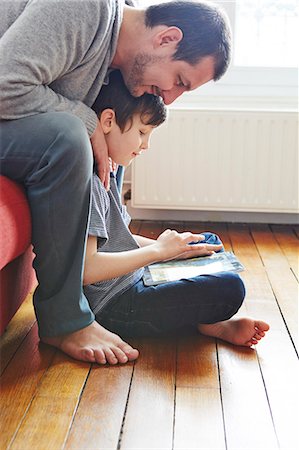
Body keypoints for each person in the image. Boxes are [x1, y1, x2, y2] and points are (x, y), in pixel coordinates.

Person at [0, 0, 233, 363]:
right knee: (70, 134)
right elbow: (4, 83)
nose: (170, 96)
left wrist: (166, 250)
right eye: (180, 81)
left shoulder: (116, 61)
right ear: (167, 39)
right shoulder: (82, 9)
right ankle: (66, 321)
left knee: (108, 145)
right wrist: (87, 124)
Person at [80, 70, 270, 365]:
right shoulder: (90, 182)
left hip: (136, 276)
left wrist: (172, 249)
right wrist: (158, 252)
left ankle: (205, 319)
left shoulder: (112, 169)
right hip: (116, 304)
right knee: (231, 289)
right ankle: (209, 322)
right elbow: (88, 269)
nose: (146, 146)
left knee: (207, 243)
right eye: (142, 133)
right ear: (107, 122)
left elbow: (119, 241)